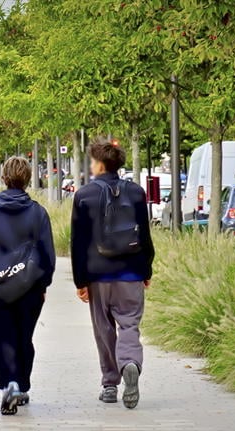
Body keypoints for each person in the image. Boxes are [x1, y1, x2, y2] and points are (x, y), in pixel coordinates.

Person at [70, 140, 154, 409]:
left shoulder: (84, 195)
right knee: (129, 323)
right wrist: (146, 269)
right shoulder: (137, 193)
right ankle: (129, 362)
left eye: (93, 162)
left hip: (98, 274)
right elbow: (145, 234)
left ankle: (109, 384)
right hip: (130, 272)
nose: (91, 166)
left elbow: (78, 243)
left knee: (103, 329)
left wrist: (80, 280)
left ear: (100, 164)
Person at [0, 156, 56, 415]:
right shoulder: (38, 212)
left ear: (5, 177)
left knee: (1, 338)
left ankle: (9, 383)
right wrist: (43, 284)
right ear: (28, 178)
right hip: (28, 287)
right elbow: (47, 254)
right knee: (24, 337)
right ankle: (20, 384)